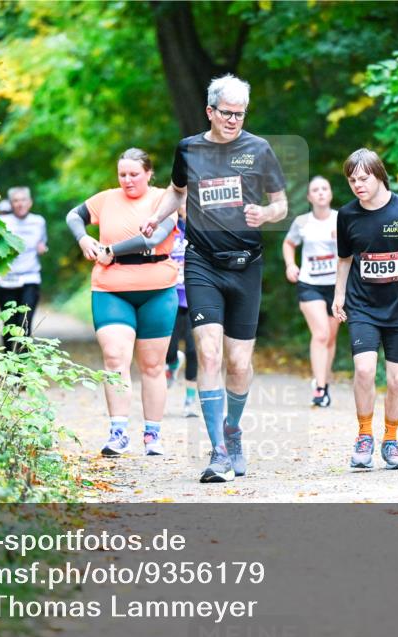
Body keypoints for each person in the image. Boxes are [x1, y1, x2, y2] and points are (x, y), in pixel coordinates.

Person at [142, 74, 287, 483]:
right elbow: (175, 190)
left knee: (239, 362)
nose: (235, 120)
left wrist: (266, 214)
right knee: (208, 354)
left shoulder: (259, 149)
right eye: (227, 113)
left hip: (247, 265)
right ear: (210, 111)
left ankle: (233, 430)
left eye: (241, 114)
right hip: (202, 261)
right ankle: (218, 454)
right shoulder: (189, 148)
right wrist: (160, 212)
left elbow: (281, 204)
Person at [66, 148, 179, 457]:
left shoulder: (166, 199)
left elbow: (153, 239)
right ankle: (118, 432)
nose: (127, 180)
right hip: (111, 289)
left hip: (158, 288)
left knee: (153, 366)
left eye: (134, 174)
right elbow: (74, 215)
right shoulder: (106, 199)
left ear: (148, 174)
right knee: (115, 359)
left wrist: (112, 249)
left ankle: (152, 435)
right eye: (122, 174)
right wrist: (84, 239)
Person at [333, 148, 398, 470]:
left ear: (379, 175)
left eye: (363, 178)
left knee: (396, 380)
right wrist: (338, 295)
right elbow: (345, 258)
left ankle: (390, 440)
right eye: (352, 180)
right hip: (362, 305)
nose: (357, 185)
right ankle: (364, 435)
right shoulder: (347, 215)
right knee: (364, 370)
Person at [283, 176, 340, 407]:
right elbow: (288, 243)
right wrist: (291, 264)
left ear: (330, 194)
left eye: (324, 188)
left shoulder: (341, 220)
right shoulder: (302, 222)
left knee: (331, 338)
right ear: (309, 197)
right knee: (321, 334)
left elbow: (357, 247)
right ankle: (318, 388)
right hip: (310, 284)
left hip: (337, 286)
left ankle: (323, 384)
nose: (320, 193)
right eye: (315, 190)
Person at [0, 187, 47, 354]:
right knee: (9, 324)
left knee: (24, 323)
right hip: (6, 279)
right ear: (11, 204)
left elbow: (42, 242)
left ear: (30, 202)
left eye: (23, 200)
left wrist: (42, 248)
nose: (20, 204)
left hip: (30, 278)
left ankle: (22, 372)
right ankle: (8, 368)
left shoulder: (39, 221)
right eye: (16, 201)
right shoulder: (2, 222)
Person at [165, 207, 200, 417]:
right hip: (171, 297)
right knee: (168, 350)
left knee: (194, 350)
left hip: (196, 298)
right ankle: (173, 362)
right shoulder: (168, 226)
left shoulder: (201, 227)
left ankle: (189, 401)